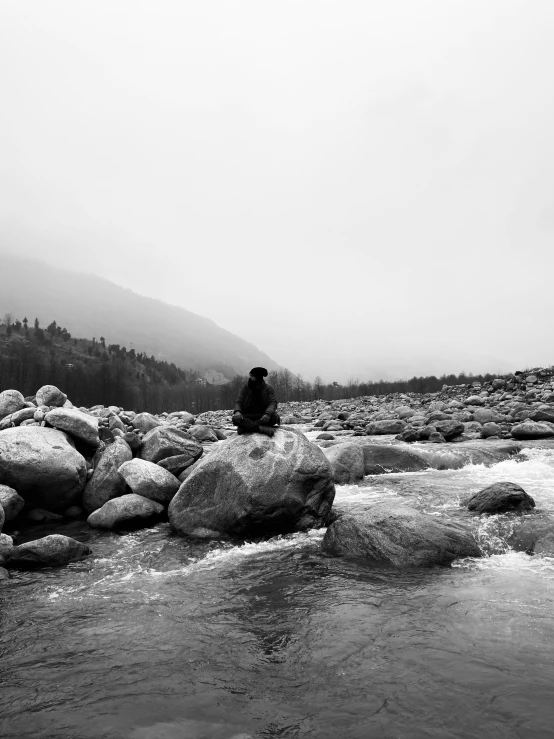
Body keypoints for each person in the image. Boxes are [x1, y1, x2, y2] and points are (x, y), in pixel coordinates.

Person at [233, 367, 280, 436]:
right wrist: (237, 411)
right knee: (235, 419)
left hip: (262, 415)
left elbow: (272, 403)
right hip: (248, 415)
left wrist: (267, 414)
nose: (250, 378)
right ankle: (260, 428)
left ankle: (246, 428)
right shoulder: (245, 388)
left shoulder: (268, 388)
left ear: (257, 377)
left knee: (274, 418)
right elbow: (239, 401)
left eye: (252, 376)